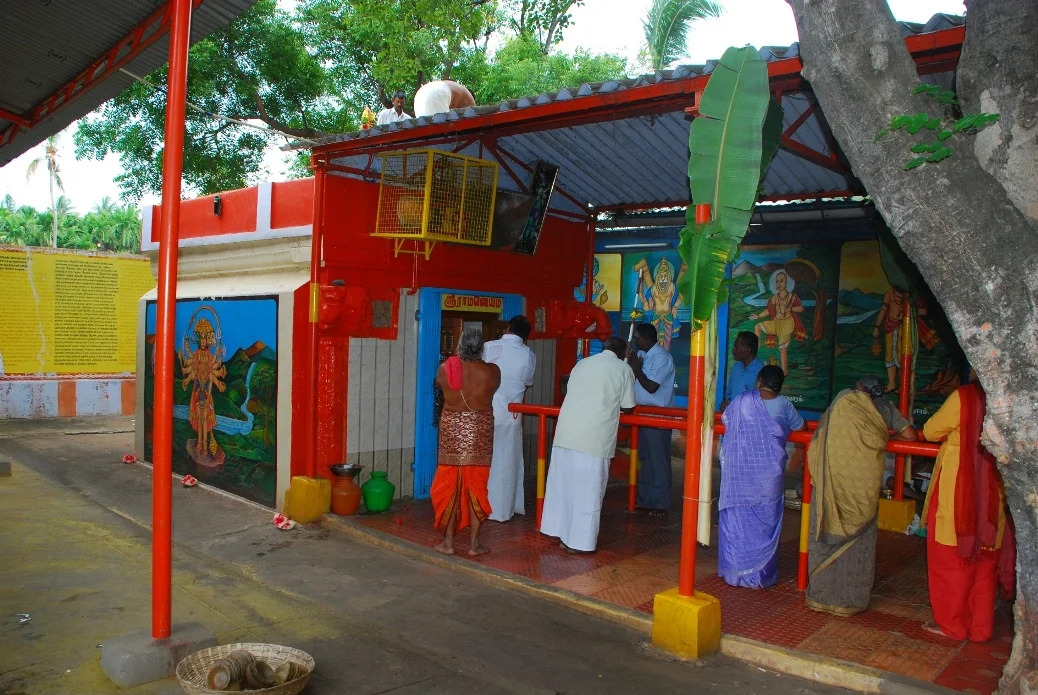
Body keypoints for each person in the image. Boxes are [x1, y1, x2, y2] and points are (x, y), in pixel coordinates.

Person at [806, 375, 917, 616]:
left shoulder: (843, 400)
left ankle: (821, 597)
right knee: (859, 543)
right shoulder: (885, 406)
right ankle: (849, 601)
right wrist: (884, 441)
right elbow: (910, 436)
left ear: (857, 387)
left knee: (826, 529)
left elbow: (822, 435)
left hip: (833, 481)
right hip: (863, 486)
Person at [921, 371, 1014, 642]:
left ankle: (953, 626)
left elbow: (930, 431)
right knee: (985, 565)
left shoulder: (963, 397)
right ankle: (980, 629)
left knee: (950, 564)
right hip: (992, 497)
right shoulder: (1007, 400)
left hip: (958, 497)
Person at [541, 337, 635, 553]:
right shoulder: (622, 368)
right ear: (624, 353)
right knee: (588, 491)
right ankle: (580, 542)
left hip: (566, 434)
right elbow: (628, 406)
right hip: (594, 438)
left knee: (563, 487)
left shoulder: (582, 363)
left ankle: (557, 530)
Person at [718, 365, 806, 588]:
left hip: (740, 473)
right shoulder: (784, 404)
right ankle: (759, 576)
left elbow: (727, 421)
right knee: (765, 522)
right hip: (769, 476)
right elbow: (801, 426)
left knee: (738, 518)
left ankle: (734, 573)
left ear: (759, 382)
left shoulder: (741, 400)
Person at [430, 328, 500, 556]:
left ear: (459, 345)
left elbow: (440, 388)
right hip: (480, 434)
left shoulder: (444, 369)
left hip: (451, 433)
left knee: (448, 487)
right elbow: (491, 391)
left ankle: (448, 544)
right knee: (477, 488)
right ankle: (474, 546)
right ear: (482, 348)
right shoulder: (493, 372)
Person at [484, 316, 537, 522]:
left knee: (486, 460)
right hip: (513, 415)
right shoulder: (529, 356)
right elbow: (528, 382)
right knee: (509, 461)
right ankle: (505, 508)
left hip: (487, 411)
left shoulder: (491, 347)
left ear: (507, 328)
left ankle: (484, 506)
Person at [628, 323, 676, 516]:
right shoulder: (642, 356)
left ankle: (660, 503)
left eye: (637, 338)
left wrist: (637, 369)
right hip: (642, 415)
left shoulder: (662, 358)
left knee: (658, 459)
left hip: (658, 416)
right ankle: (646, 499)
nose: (635, 342)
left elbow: (651, 387)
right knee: (645, 458)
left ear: (646, 338)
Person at [752, 269, 805, 375]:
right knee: (757, 326)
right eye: (777, 281)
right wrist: (758, 316)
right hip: (776, 323)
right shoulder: (774, 298)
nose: (779, 283)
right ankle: (757, 349)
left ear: (786, 283)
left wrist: (790, 309)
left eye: (782, 281)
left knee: (782, 348)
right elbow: (768, 310)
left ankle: (784, 373)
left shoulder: (792, 297)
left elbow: (800, 308)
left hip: (787, 323)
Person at [723, 331, 764, 410]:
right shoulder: (736, 367)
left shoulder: (761, 372)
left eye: (736, 347)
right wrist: (727, 404)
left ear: (748, 349)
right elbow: (729, 394)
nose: (733, 351)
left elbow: (761, 404)